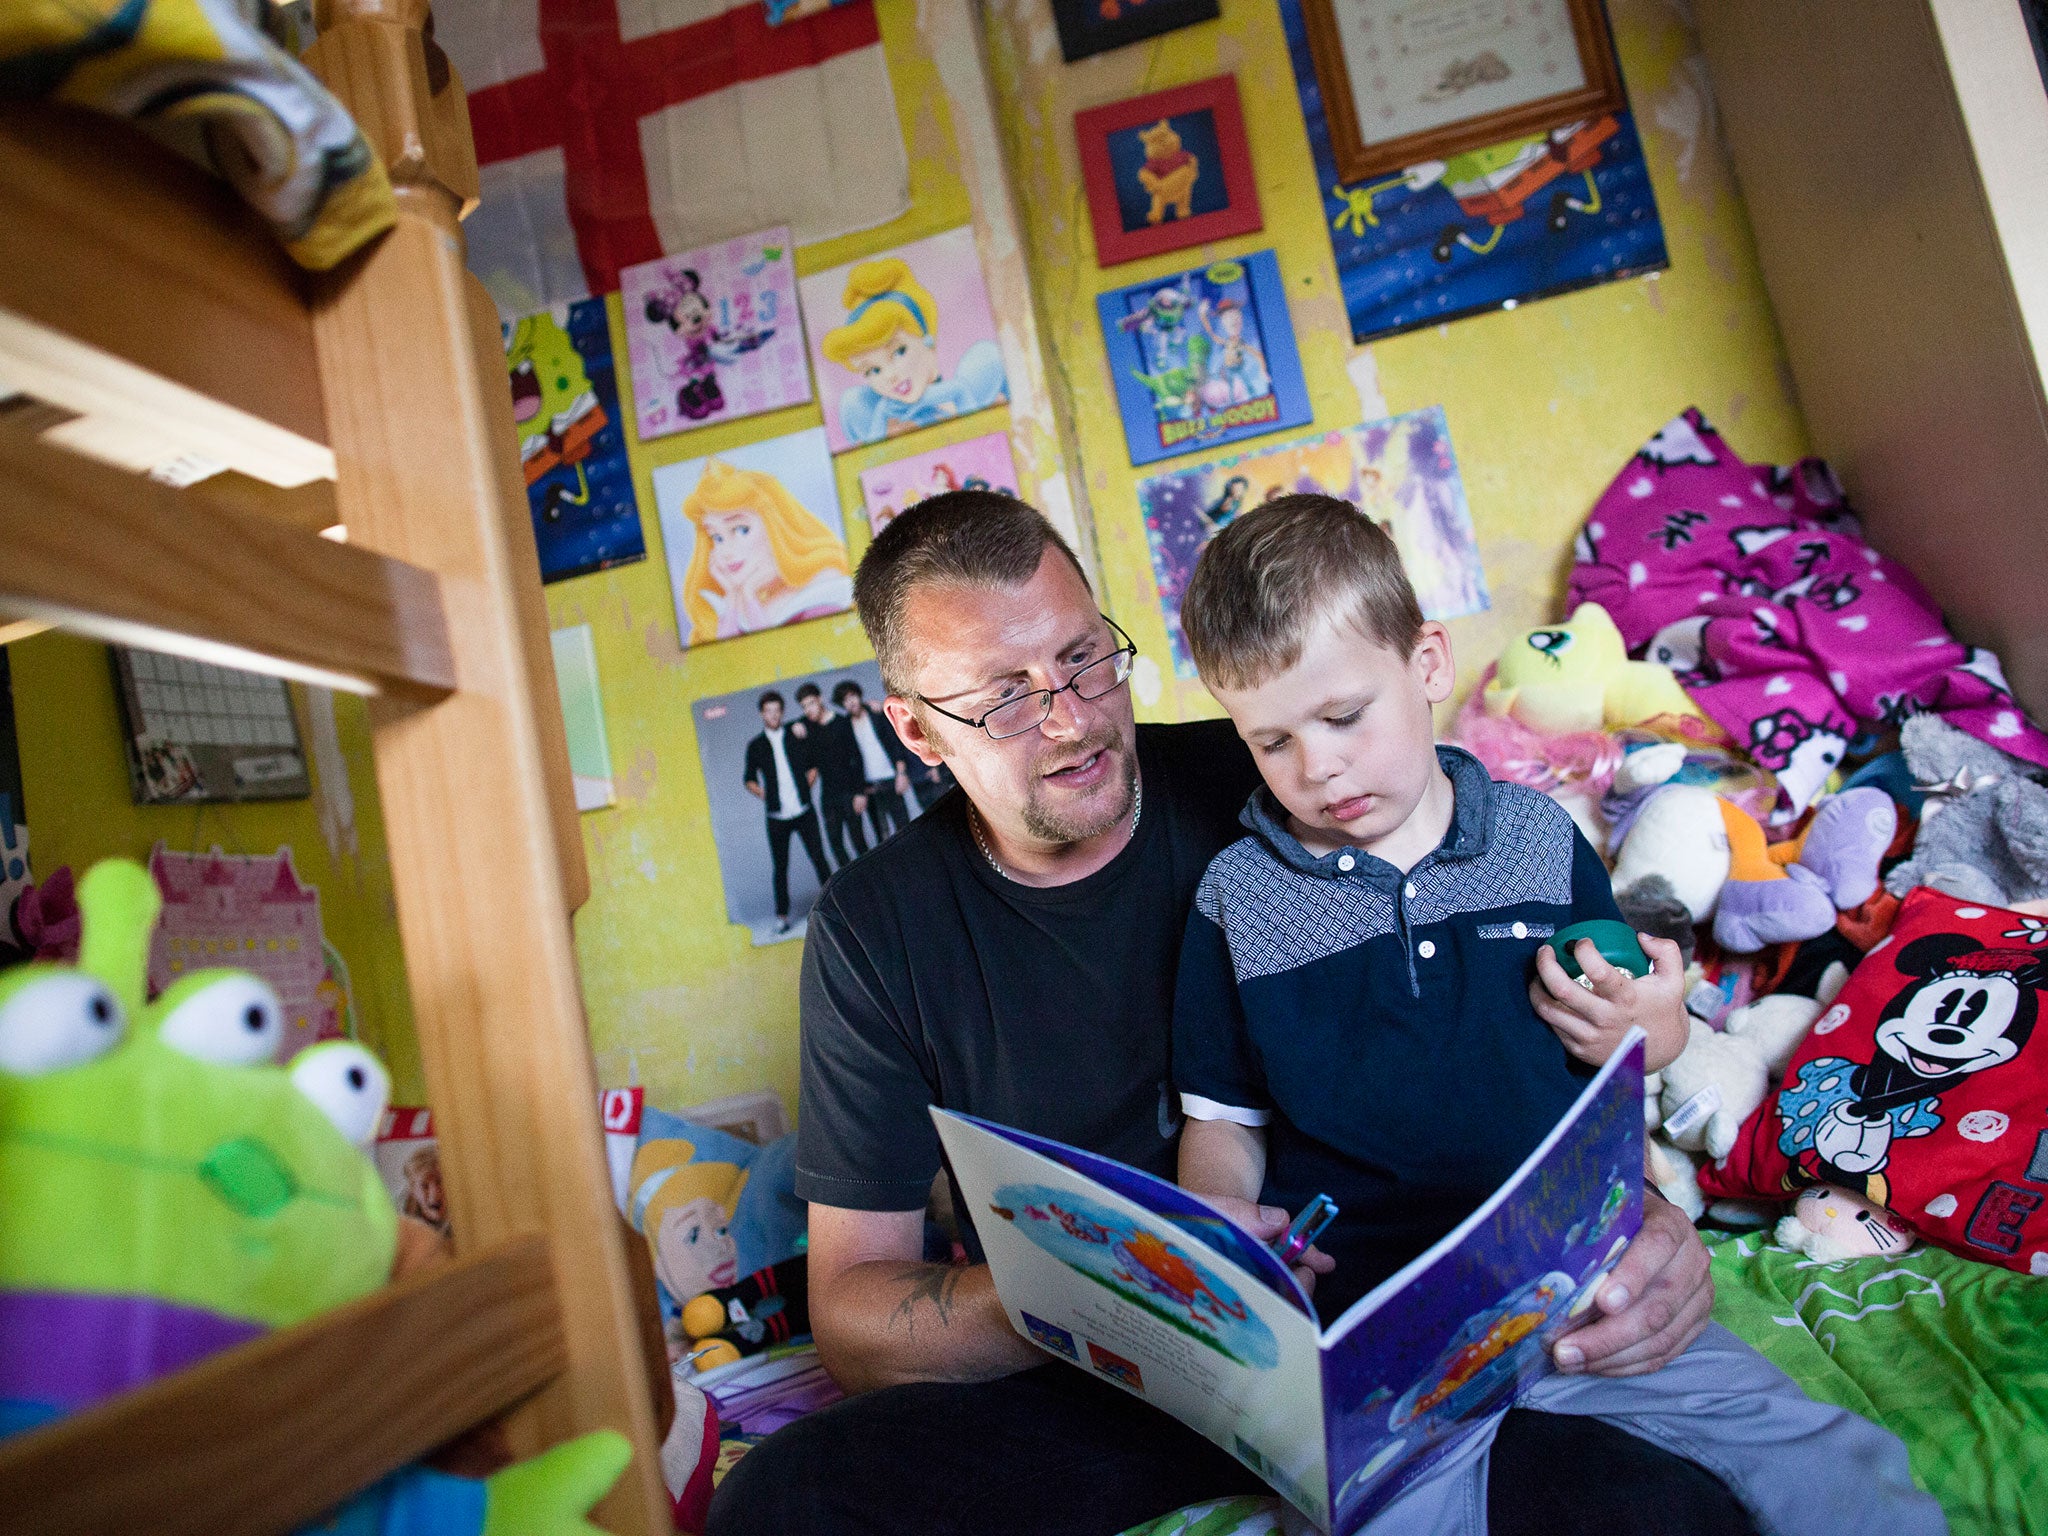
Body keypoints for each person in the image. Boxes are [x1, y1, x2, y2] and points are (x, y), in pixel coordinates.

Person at [708, 492, 1733, 1536]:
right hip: (1093, 1380)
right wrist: (1106, 1285)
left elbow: (1511, 1029)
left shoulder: (1279, 770)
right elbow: (850, 1314)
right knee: (782, 1506)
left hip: (1365, 1337)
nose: (1069, 718)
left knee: (1666, 1514)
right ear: (915, 730)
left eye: (1082, 659)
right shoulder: (876, 925)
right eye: (1004, 699)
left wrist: (1642, 1220)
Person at [1170, 495, 1942, 1535]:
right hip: (1373, 1329)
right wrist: (1223, 1229)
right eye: (1270, 740)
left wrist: (1654, 1028)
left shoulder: (1536, 839)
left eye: (1343, 717)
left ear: (1428, 666)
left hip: (1585, 1277)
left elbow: (1641, 1043)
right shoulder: (1236, 897)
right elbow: (1223, 1121)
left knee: (1836, 1472)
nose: (1317, 767)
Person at [821, 257, 1008, 445]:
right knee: (852, 401)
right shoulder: (879, 413)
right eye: (873, 370)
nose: (891, 376)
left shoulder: (976, 379)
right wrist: (881, 413)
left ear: (928, 342)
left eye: (900, 351)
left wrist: (955, 392)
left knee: (986, 357)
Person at [675, 459, 853, 643]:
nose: (726, 551)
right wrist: (735, 598)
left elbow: (778, 656)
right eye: (717, 538)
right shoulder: (733, 602)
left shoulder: (822, 593)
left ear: (776, 526)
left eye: (742, 530)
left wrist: (750, 599)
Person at [741, 691, 832, 936]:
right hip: (777, 817)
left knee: (819, 859)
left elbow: (813, 766)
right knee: (780, 868)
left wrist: (803, 790)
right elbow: (748, 779)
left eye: (777, 710)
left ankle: (837, 909)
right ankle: (782, 918)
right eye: (768, 711)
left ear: (782, 712)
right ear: (762, 714)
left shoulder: (795, 733)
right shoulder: (756, 745)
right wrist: (767, 797)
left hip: (803, 810)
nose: (773, 715)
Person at [791, 682, 866, 869]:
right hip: (828, 796)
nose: (808, 710)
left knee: (859, 842)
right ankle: (850, 887)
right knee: (836, 845)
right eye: (804, 706)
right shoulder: (807, 726)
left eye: (811, 703)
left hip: (850, 792)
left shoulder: (841, 722)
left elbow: (856, 757)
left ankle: (872, 883)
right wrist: (795, 725)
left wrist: (860, 793)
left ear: (820, 699)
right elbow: (785, 730)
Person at [831, 678, 913, 846]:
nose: (850, 702)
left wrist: (901, 774)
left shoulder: (876, 714)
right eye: (845, 700)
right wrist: (859, 790)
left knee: (906, 829)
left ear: (859, 696)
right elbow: (849, 762)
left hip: (891, 780)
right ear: (842, 704)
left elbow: (894, 744)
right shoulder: (844, 726)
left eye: (852, 696)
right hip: (869, 787)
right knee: (882, 836)